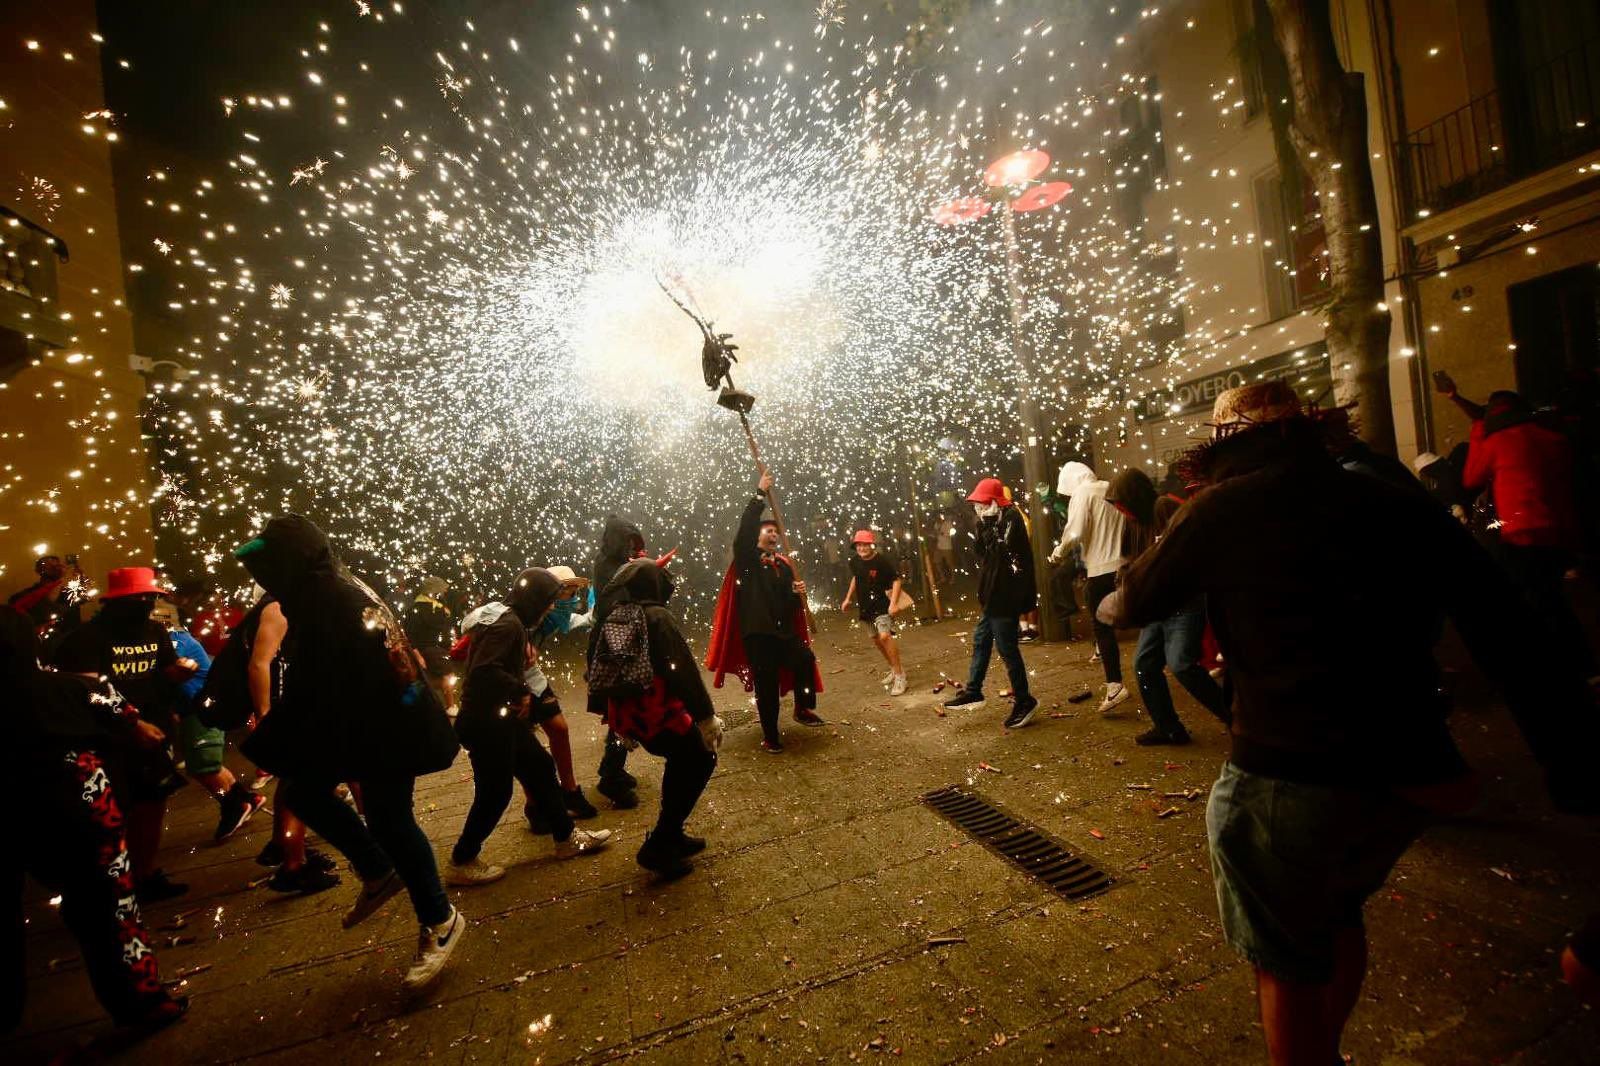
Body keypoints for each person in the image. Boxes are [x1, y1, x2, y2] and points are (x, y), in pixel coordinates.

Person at [1104, 380, 1598, 1066]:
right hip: (1408, 775)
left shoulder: (1222, 507)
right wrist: (1568, 759)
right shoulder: (1391, 500)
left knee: (1284, 958)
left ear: (1226, 449)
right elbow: (1506, 626)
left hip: (1286, 774)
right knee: (1336, 914)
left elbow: (1130, 602)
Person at [234, 514, 465, 994]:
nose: (262, 577)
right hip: (372, 723)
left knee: (387, 820)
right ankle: (381, 871)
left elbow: (323, 678)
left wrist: (278, 733)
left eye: (269, 564)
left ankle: (438, 918)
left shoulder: (327, 598)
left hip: (386, 725)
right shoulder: (325, 589)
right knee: (322, 797)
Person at [1, 609, 188, 1032]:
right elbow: (133, 721)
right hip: (78, 809)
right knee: (111, 906)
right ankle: (143, 1003)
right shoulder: (72, 689)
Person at [448, 567, 612, 886]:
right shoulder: (509, 625)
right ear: (534, 599)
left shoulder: (511, 620)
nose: (552, 607)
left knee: (538, 766)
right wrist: (520, 690)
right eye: (549, 600)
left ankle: (566, 839)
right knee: (495, 794)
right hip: (486, 723)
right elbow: (484, 671)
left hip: (500, 719)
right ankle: (462, 859)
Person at [51, 567, 197, 905]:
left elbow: (163, 672)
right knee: (111, 814)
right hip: (106, 740)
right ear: (117, 602)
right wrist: (131, 725)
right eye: (140, 598)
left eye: (151, 598)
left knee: (152, 803)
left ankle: (144, 876)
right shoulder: (86, 639)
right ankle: (113, 888)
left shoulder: (155, 631)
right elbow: (88, 692)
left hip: (151, 734)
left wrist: (178, 673)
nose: (147, 603)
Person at [1444, 377, 1596, 682]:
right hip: (1560, 530)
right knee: (1549, 594)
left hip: (1522, 531)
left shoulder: (1497, 442)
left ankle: (1569, 667)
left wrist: (1477, 431)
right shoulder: (1554, 437)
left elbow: (1471, 479)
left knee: (1534, 600)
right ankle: (1576, 664)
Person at [589, 557, 722, 879]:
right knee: (701, 757)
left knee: (681, 761)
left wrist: (613, 718)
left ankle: (672, 833)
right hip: (660, 712)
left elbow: (594, 667)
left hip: (633, 716)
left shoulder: (613, 615)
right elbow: (682, 670)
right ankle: (661, 844)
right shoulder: (657, 616)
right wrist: (705, 717)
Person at [705, 468, 824, 753]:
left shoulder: (783, 565)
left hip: (783, 633)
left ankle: (803, 707)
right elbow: (743, 533)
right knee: (767, 686)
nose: (774, 534)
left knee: (805, 658)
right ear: (758, 536)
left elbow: (786, 604)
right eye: (768, 530)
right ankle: (771, 736)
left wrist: (797, 596)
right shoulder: (747, 560)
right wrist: (759, 494)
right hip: (758, 636)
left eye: (776, 531)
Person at [149, 596, 266, 842]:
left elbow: (167, 672)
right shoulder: (170, 639)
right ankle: (245, 800)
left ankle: (236, 804)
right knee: (202, 764)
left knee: (205, 764)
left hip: (202, 709)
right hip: (193, 709)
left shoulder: (175, 640)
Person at [1126, 474, 1230, 746]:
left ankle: (1234, 717)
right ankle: (1168, 727)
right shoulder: (1138, 521)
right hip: (1160, 603)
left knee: (1182, 663)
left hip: (1183, 601)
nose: (1120, 510)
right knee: (1144, 663)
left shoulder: (1162, 507)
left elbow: (1183, 548)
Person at [943, 477, 1039, 729]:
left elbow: (1005, 553)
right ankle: (974, 690)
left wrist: (992, 526)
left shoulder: (1011, 519)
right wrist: (984, 525)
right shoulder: (990, 521)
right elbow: (980, 552)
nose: (979, 508)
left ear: (996, 501)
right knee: (981, 640)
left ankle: (1024, 700)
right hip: (992, 596)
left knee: (1008, 650)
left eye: (983, 503)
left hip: (1005, 596)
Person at [1049, 462, 1129, 712]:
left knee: (1101, 626)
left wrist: (1058, 553)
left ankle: (1115, 685)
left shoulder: (1084, 493)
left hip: (1101, 569)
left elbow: (1075, 532)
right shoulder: (1109, 487)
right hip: (1123, 566)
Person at [589, 515, 648, 808]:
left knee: (621, 713)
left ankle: (612, 769)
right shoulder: (608, 566)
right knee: (622, 714)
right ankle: (610, 777)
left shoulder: (612, 563)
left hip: (618, 645)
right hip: (616, 648)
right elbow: (616, 603)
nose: (629, 547)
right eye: (626, 541)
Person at [839, 529, 907, 695]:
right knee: (877, 640)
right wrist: (848, 598)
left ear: (871, 544)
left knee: (885, 636)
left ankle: (900, 676)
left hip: (882, 605)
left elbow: (896, 580)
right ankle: (893, 668)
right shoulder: (854, 562)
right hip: (865, 606)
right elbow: (856, 578)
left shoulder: (881, 561)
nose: (862, 548)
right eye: (858, 545)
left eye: (865, 544)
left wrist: (893, 604)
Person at [403, 575, 458, 709]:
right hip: (430, 649)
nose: (444, 592)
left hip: (434, 649)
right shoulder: (417, 609)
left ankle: (407, 702)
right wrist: (417, 655)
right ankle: (451, 707)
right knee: (447, 676)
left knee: (424, 679)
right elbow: (411, 634)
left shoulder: (437, 607)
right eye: (441, 589)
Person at [8, 554, 85, 639]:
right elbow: (46, 608)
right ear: (38, 570)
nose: (56, 567)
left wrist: (80, 576)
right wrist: (62, 579)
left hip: (71, 644)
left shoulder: (70, 594)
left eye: (57, 564)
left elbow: (85, 597)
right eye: (49, 565)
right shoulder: (22, 596)